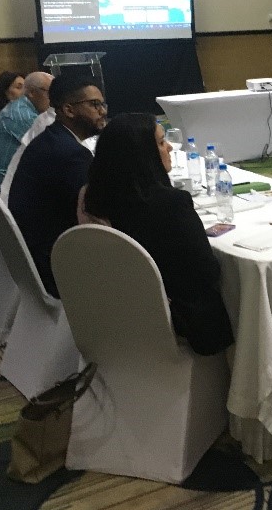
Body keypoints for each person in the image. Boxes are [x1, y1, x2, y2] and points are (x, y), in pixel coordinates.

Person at [79, 113, 234, 355]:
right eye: (161, 143)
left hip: (113, 310)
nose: (170, 147)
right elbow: (207, 271)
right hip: (171, 318)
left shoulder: (90, 197)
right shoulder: (170, 204)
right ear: (143, 154)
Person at [8, 75, 106, 297]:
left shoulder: (52, 139)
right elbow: (95, 212)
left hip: (34, 255)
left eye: (102, 104)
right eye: (94, 105)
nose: (102, 111)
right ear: (69, 110)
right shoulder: (70, 155)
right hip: (55, 266)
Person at [0, 72, 52, 191]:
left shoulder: (20, 107)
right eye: (49, 92)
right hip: (0, 191)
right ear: (32, 92)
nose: (53, 98)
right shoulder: (22, 116)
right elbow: (49, 152)